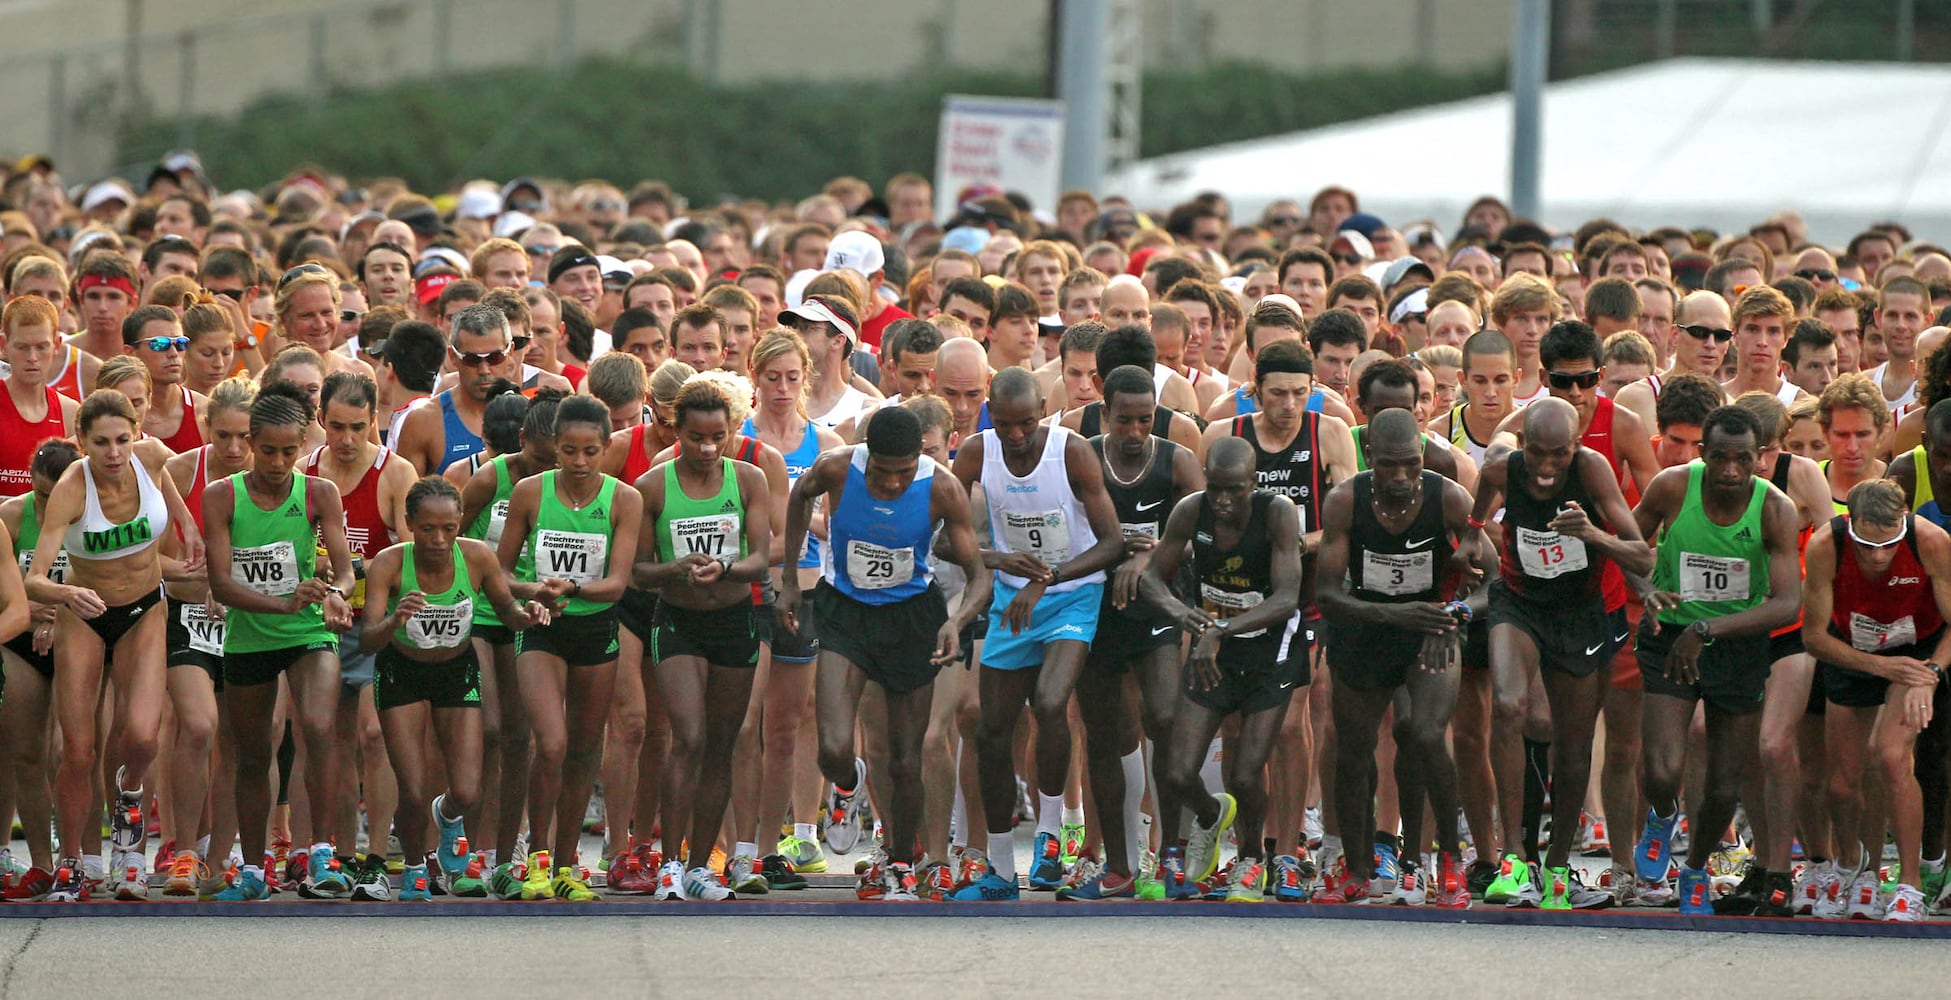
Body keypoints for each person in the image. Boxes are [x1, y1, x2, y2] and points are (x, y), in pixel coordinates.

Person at [779, 405, 990, 900]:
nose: (892, 484)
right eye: (881, 472)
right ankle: (848, 784)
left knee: (904, 759)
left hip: (911, 617)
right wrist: (790, 578)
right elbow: (797, 496)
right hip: (845, 610)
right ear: (866, 456)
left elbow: (979, 576)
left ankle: (899, 861)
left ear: (918, 459)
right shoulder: (836, 467)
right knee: (833, 746)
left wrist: (955, 623)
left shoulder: (941, 487)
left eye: (902, 472)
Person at [948, 368, 1123, 900]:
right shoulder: (977, 453)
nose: (1017, 436)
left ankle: (1050, 837)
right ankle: (1001, 868)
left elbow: (1112, 542)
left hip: (1074, 593)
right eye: (1005, 426)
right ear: (991, 419)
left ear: (1043, 409)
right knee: (990, 729)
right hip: (1011, 599)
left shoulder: (1071, 452)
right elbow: (942, 540)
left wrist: (1045, 578)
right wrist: (999, 558)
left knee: (1050, 704)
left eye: (1026, 424)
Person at [1472, 398, 1652, 908]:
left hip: (1579, 613)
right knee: (1508, 705)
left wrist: (1590, 533)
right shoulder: (1507, 465)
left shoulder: (1592, 470)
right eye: (1537, 455)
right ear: (1524, 446)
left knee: (1572, 745)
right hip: (1520, 601)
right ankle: (1512, 859)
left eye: (1558, 455)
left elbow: (1640, 551)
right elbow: (1486, 479)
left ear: (1575, 447)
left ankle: (1555, 867)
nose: (1547, 468)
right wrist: (1471, 529)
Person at [24, 387, 201, 901]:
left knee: (143, 738)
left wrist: (187, 522)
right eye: (101, 442)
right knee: (78, 750)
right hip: (85, 613)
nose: (114, 453)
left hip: (145, 607)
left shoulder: (150, 456)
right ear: (82, 442)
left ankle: (128, 804)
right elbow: (35, 579)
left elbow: (171, 482)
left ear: (136, 434)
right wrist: (67, 592)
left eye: (123, 439)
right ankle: (72, 861)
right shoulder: (72, 489)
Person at [1628, 405, 1801, 915]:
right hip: (1671, 633)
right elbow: (1630, 547)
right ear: (1703, 453)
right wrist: (1646, 592)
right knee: (1663, 768)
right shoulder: (1672, 487)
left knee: (1725, 785)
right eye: (1720, 458)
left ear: (1760, 459)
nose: (1730, 471)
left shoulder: (1775, 509)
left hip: (1735, 643)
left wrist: (1708, 630)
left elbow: (1787, 603)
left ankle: (1697, 868)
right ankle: (1663, 814)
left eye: (1742, 460)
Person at [360, 476, 549, 901]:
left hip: (455, 670)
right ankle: (413, 869)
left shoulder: (478, 557)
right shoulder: (389, 565)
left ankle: (445, 817)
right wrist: (394, 620)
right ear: (409, 524)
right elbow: (367, 639)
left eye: (449, 528)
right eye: (428, 529)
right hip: (401, 670)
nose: (440, 539)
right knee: (410, 788)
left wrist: (530, 612)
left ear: (461, 523)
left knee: (466, 789)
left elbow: (507, 612)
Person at [202, 381, 356, 902]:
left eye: (291, 451)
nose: (279, 460)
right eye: (268, 449)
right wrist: (282, 602)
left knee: (317, 726)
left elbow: (345, 570)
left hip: (308, 633)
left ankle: (320, 852)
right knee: (251, 754)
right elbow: (222, 584)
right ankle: (251, 866)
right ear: (249, 442)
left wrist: (335, 593)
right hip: (249, 636)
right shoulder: (222, 496)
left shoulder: (319, 492)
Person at [1141, 435, 1305, 902]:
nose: (1224, 501)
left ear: (1253, 484)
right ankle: (1212, 816)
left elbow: (1287, 597)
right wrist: (1182, 614)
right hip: (1215, 648)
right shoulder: (1192, 510)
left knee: (1247, 774)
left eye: (1235, 490)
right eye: (1216, 489)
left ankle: (1252, 859)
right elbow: (1153, 577)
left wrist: (1220, 631)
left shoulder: (1277, 513)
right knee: (1176, 770)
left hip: (1269, 649)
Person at [499, 395, 642, 902]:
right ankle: (537, 857)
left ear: (606, 448)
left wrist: (573, 590)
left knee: (584, 751)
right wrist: (531, 594)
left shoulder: (624, 499)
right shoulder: (530, 493)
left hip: (594, 629)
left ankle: (567, 864)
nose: (579, 463)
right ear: (554, 448)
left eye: (590, 452)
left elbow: (619, 583)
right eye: (568, 451)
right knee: (551, 744)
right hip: (540, 628)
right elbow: (500, 571)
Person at [633, 378, 770, 901]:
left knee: (721, 742)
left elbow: (762, 555)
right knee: (687, 736)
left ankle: (699, 865)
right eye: (696, 438)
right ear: (677, 432)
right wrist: (676, 567)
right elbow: (638, 573)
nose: (709, 448)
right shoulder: (653, 486)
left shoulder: (750, 480)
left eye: (719, 437)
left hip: (735, 619)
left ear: (733, 432)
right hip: (678, 620)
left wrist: (728, 567)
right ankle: (668, 863)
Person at [1799, 479, 1951, 923]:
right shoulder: (1827, 544)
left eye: (1890, 544)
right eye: (1868, 544)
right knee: (1844, 781)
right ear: (1852, 524)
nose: (1879, 555)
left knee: (1889, 757)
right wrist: (1879, 667)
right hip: (1851, 652)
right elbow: (1812, 637)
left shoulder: (1931, 541)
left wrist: (1931, 674)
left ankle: (1910, 883)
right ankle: (1852, 867)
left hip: (1917, 654)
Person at [1076, 366, 1202, 900]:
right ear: (1104, 415)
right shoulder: (1081, 456)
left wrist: (1153, 555)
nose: (1134, 431)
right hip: (1095, 606)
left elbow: (1206, 533)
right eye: (1123, 420)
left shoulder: (1177, 461)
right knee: (1104, 735)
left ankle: (1172, 853)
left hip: (1157, 605)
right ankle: (1119, 864)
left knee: (1165, 718)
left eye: (1145, 420)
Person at [735, 331, 843, 893]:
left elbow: (836, 523)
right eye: (771, 378)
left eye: (792, 378)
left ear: (807, 378)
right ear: (754, 376)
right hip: (752, 592)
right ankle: (740, 845)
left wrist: (808, 523)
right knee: (744, 722)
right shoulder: (740, 439)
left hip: (808, 590)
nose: (781, 389)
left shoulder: (824, 442)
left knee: (787, 725)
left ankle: (780, 840)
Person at [304, 371, 418, 898]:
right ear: (320, 421)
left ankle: (377, 855)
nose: (346, 440)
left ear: (375, 420)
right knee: (335, 741)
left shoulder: (395, 473)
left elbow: (417, 556)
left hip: (376, 622)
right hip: (324, 623)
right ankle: (341, 854)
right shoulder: (306, 471)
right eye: (335, 427)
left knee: (376, 738)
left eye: (357, 427)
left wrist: (356, 566)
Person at [156, 377, 255, 897]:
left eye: (244, 436)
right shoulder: (180, 471)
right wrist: (205, 580)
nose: (235, 449)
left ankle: (220, 857)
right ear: (205, 428)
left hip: (250, 624)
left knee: (239, 739)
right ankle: (185, 850)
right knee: (197, 727)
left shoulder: (281, 478)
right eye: (224, 437)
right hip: (187, 616)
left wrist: (230, 584)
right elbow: (147, 557)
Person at [0, 441, 77, 899]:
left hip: (78, 639)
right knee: (25, 752)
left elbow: (118, 584)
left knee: (74, 752)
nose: (49, 505)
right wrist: (28, 608)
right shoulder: (12, 517)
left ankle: (79, 858)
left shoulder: (93, 512)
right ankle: (42, 866)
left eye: (57, 495)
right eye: (41, 494)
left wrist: (64, 613)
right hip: (21, 642)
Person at [393, 304, 521, 475]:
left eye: (494, 358)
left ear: (510, 351)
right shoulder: (424, 422)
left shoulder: (530, 415)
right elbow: (408, 498)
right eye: (472, 360)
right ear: (453, 357)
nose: (484, 370)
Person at [0, 297, 78, 497]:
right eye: (22, 347)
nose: (32, 357)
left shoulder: (70, 413)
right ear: (4, 345)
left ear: (57, 345)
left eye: (42, 347)